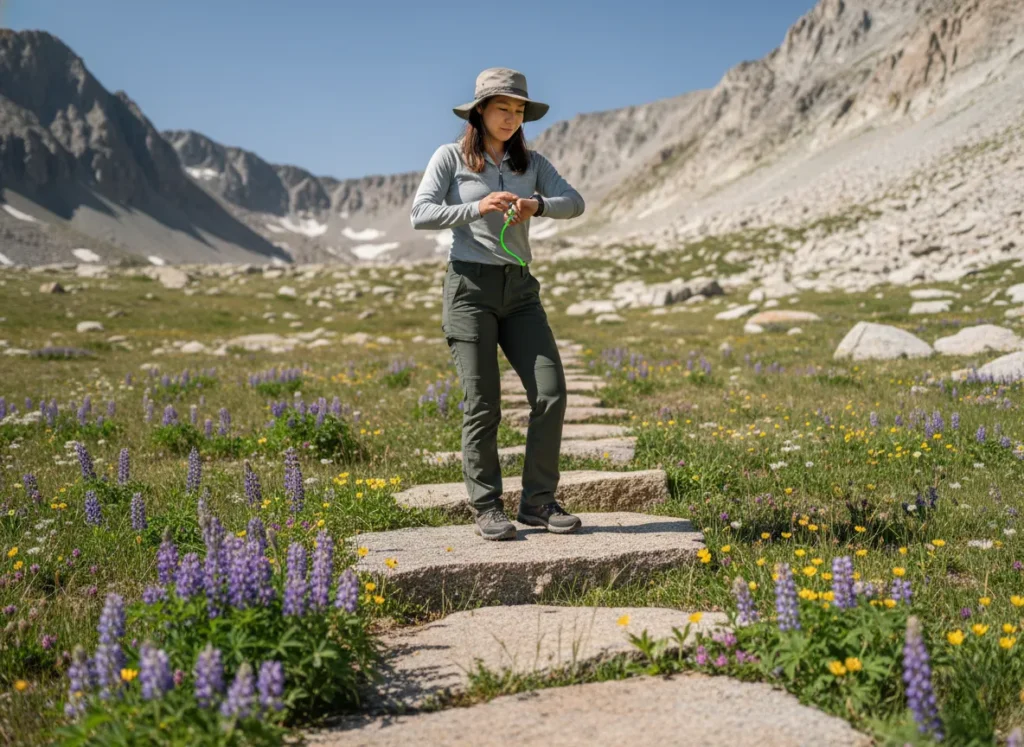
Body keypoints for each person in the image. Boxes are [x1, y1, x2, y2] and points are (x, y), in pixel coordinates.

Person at [410, 67, 586, 541]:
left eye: (519, 110)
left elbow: (575, 202)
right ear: (480, 111)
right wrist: (478, 207)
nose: (512, 117)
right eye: (503, 108)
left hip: (521, 291)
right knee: (482, 403)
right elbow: (420, 213)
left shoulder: (533, 163)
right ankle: (487, 506)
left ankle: (538, 502)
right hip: (470, 290)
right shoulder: (450, 157)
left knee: (551, 391)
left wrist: (537, 206)